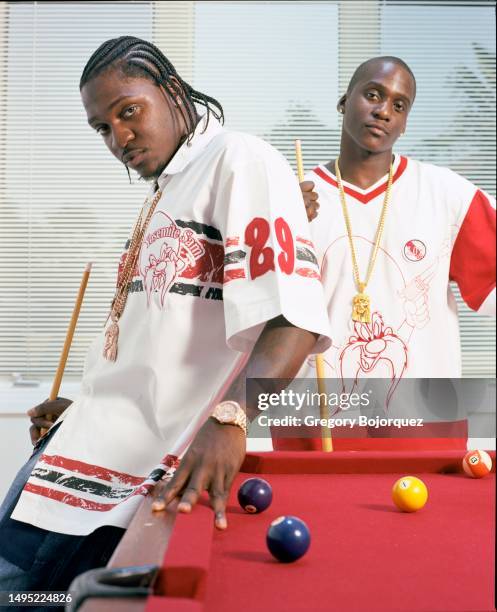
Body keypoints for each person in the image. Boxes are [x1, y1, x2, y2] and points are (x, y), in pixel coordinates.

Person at [0, 36, 331, 593]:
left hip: (130, 479)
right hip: (77, 453)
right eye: (102, 128)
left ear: (173, 92)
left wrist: (232, 419)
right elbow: (164, 344)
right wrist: (82, 406)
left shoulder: (239, 160)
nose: (119, 138)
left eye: (128, 111)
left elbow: (292, 319)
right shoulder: (167, 188)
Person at [291, 56, 496, 451]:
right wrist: (280, 226)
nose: (384, 111)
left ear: (404, 123)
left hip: (424, 425)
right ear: (344, 101)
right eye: (373, 94)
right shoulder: (294, 199)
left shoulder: (446, 196)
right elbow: (252, 310)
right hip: (321, 423)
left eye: (399, 106)